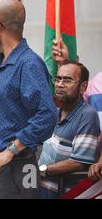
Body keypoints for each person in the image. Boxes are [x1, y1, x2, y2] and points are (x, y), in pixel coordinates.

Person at [0, 0, 58, 199]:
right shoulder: (1, 63)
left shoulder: (28, 64)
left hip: (16, 167)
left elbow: (47, 116)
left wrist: (11, 151)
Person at [38, 61, 100, 198]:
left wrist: (41, 170)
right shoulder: (55, 112)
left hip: (66, 193)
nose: (60, 84)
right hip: (42, 191)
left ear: (83, 87)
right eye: (58, 79)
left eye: (67, 80)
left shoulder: (87, 115)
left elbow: (79, 163)